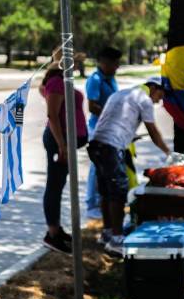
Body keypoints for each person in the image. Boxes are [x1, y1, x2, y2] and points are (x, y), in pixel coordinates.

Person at [88, 76, 171, 255]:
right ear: (154, 88)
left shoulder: (121, 94)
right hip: (111, 147)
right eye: (160, 97)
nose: (158, 102)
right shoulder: (145, 99)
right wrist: (168, 153)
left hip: (96, 144)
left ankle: (107, 233)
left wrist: (129, 136)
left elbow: (114, 120)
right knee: (118, 193)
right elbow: (153, 131)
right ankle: (117, 240)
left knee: (106, 192)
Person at [40, 67, 88, 254]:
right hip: (59, 141)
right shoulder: (56, 82)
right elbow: (52, 114)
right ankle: (52, 235)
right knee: (54, 185)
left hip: (67, 141)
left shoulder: (61, 80)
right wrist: (62, 145)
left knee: (58, 184)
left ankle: (56, 229)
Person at [84, 47, 122, 220]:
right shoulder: (96, 80)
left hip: (110, 128)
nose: (117, 67)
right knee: (96, 167)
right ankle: (91, 204)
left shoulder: (110, 78)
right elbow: (92, 106)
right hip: (98, 128)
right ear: (104, 63)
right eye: (115, 64)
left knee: (106, 167)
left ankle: (101, 200)